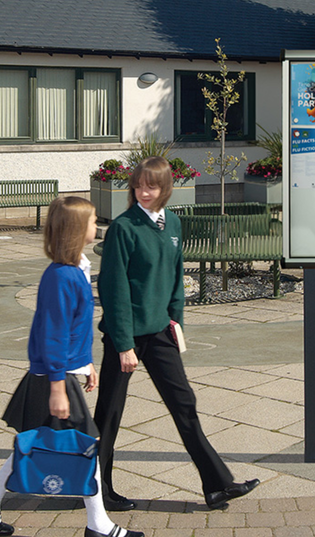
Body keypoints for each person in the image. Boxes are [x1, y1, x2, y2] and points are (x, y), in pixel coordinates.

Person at [93, 156, 259, 512]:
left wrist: (176, 320)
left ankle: (217, 485)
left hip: (160, 333)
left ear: (165, 187)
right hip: (127, 337)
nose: (143, 192)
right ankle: (97, 491)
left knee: (185, 406)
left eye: (151, 185)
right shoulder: (125, 228)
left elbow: (174, 277)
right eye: (138, 185)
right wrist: (123, 344)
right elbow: (114, 288)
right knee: (109, 415)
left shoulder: (173, 224)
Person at [0, 197, 143, 537]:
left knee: (27, 449)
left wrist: (86, 364)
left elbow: (73, 331)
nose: (98, 226)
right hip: (52, 379)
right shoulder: (61, 277)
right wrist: (57, 388)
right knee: (85, 447)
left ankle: (98, 524)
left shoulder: (76, 268)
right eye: (94, 221)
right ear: (78, 230)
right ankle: (99, 525)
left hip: (61, 374)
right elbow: (52, 334)